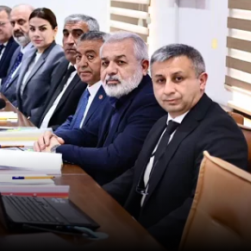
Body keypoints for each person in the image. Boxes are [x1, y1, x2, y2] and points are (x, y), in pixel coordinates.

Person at [103, 44, 248, 250]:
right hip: (131, 227)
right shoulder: (165, 119)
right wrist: (96, 198)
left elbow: (200, 208)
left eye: (178, 79)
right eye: (160, 80)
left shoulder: (221, 133)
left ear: (202, 81)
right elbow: (139, 172)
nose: (168, 89)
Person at [35, 32, 165, 185]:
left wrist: (57, 150)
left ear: (143, 66)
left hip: (114, 191)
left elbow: (114, 157)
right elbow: (90, 133)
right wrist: (57, 137)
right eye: (105, 63)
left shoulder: (149, 101)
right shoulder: (119, 90)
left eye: (120, 62)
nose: (110, 70)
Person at [35, 14, 99, 129]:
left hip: (57, 136)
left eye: (78, 34)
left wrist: (46, 133)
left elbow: (77, 123)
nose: (69, 41)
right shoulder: (62, 64)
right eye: (66, 34)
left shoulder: (91, 75)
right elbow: (47, 106)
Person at [53, 31, 113, 138]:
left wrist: (58, 140)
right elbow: (74, 120)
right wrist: (54, 136)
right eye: (78, 56)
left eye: (90, 56)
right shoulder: (88, 89)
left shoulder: (111, 96)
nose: (82, 64)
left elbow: (91, 137)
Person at [11, 8, 65, 122]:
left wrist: (30, 120)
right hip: (20, 119)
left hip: (37, 122)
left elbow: (52, 100)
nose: (36, 34)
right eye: (32, 29)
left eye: (42, 29)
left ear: (55, 30)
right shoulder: (29, 53)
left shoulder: (59, 56)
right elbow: (22, 93)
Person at [0, 4, 34, 102]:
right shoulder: (18, 51)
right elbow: (9, 85)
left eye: (21, 22)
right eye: (13, 23)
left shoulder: (40, 55)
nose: (15, 28)